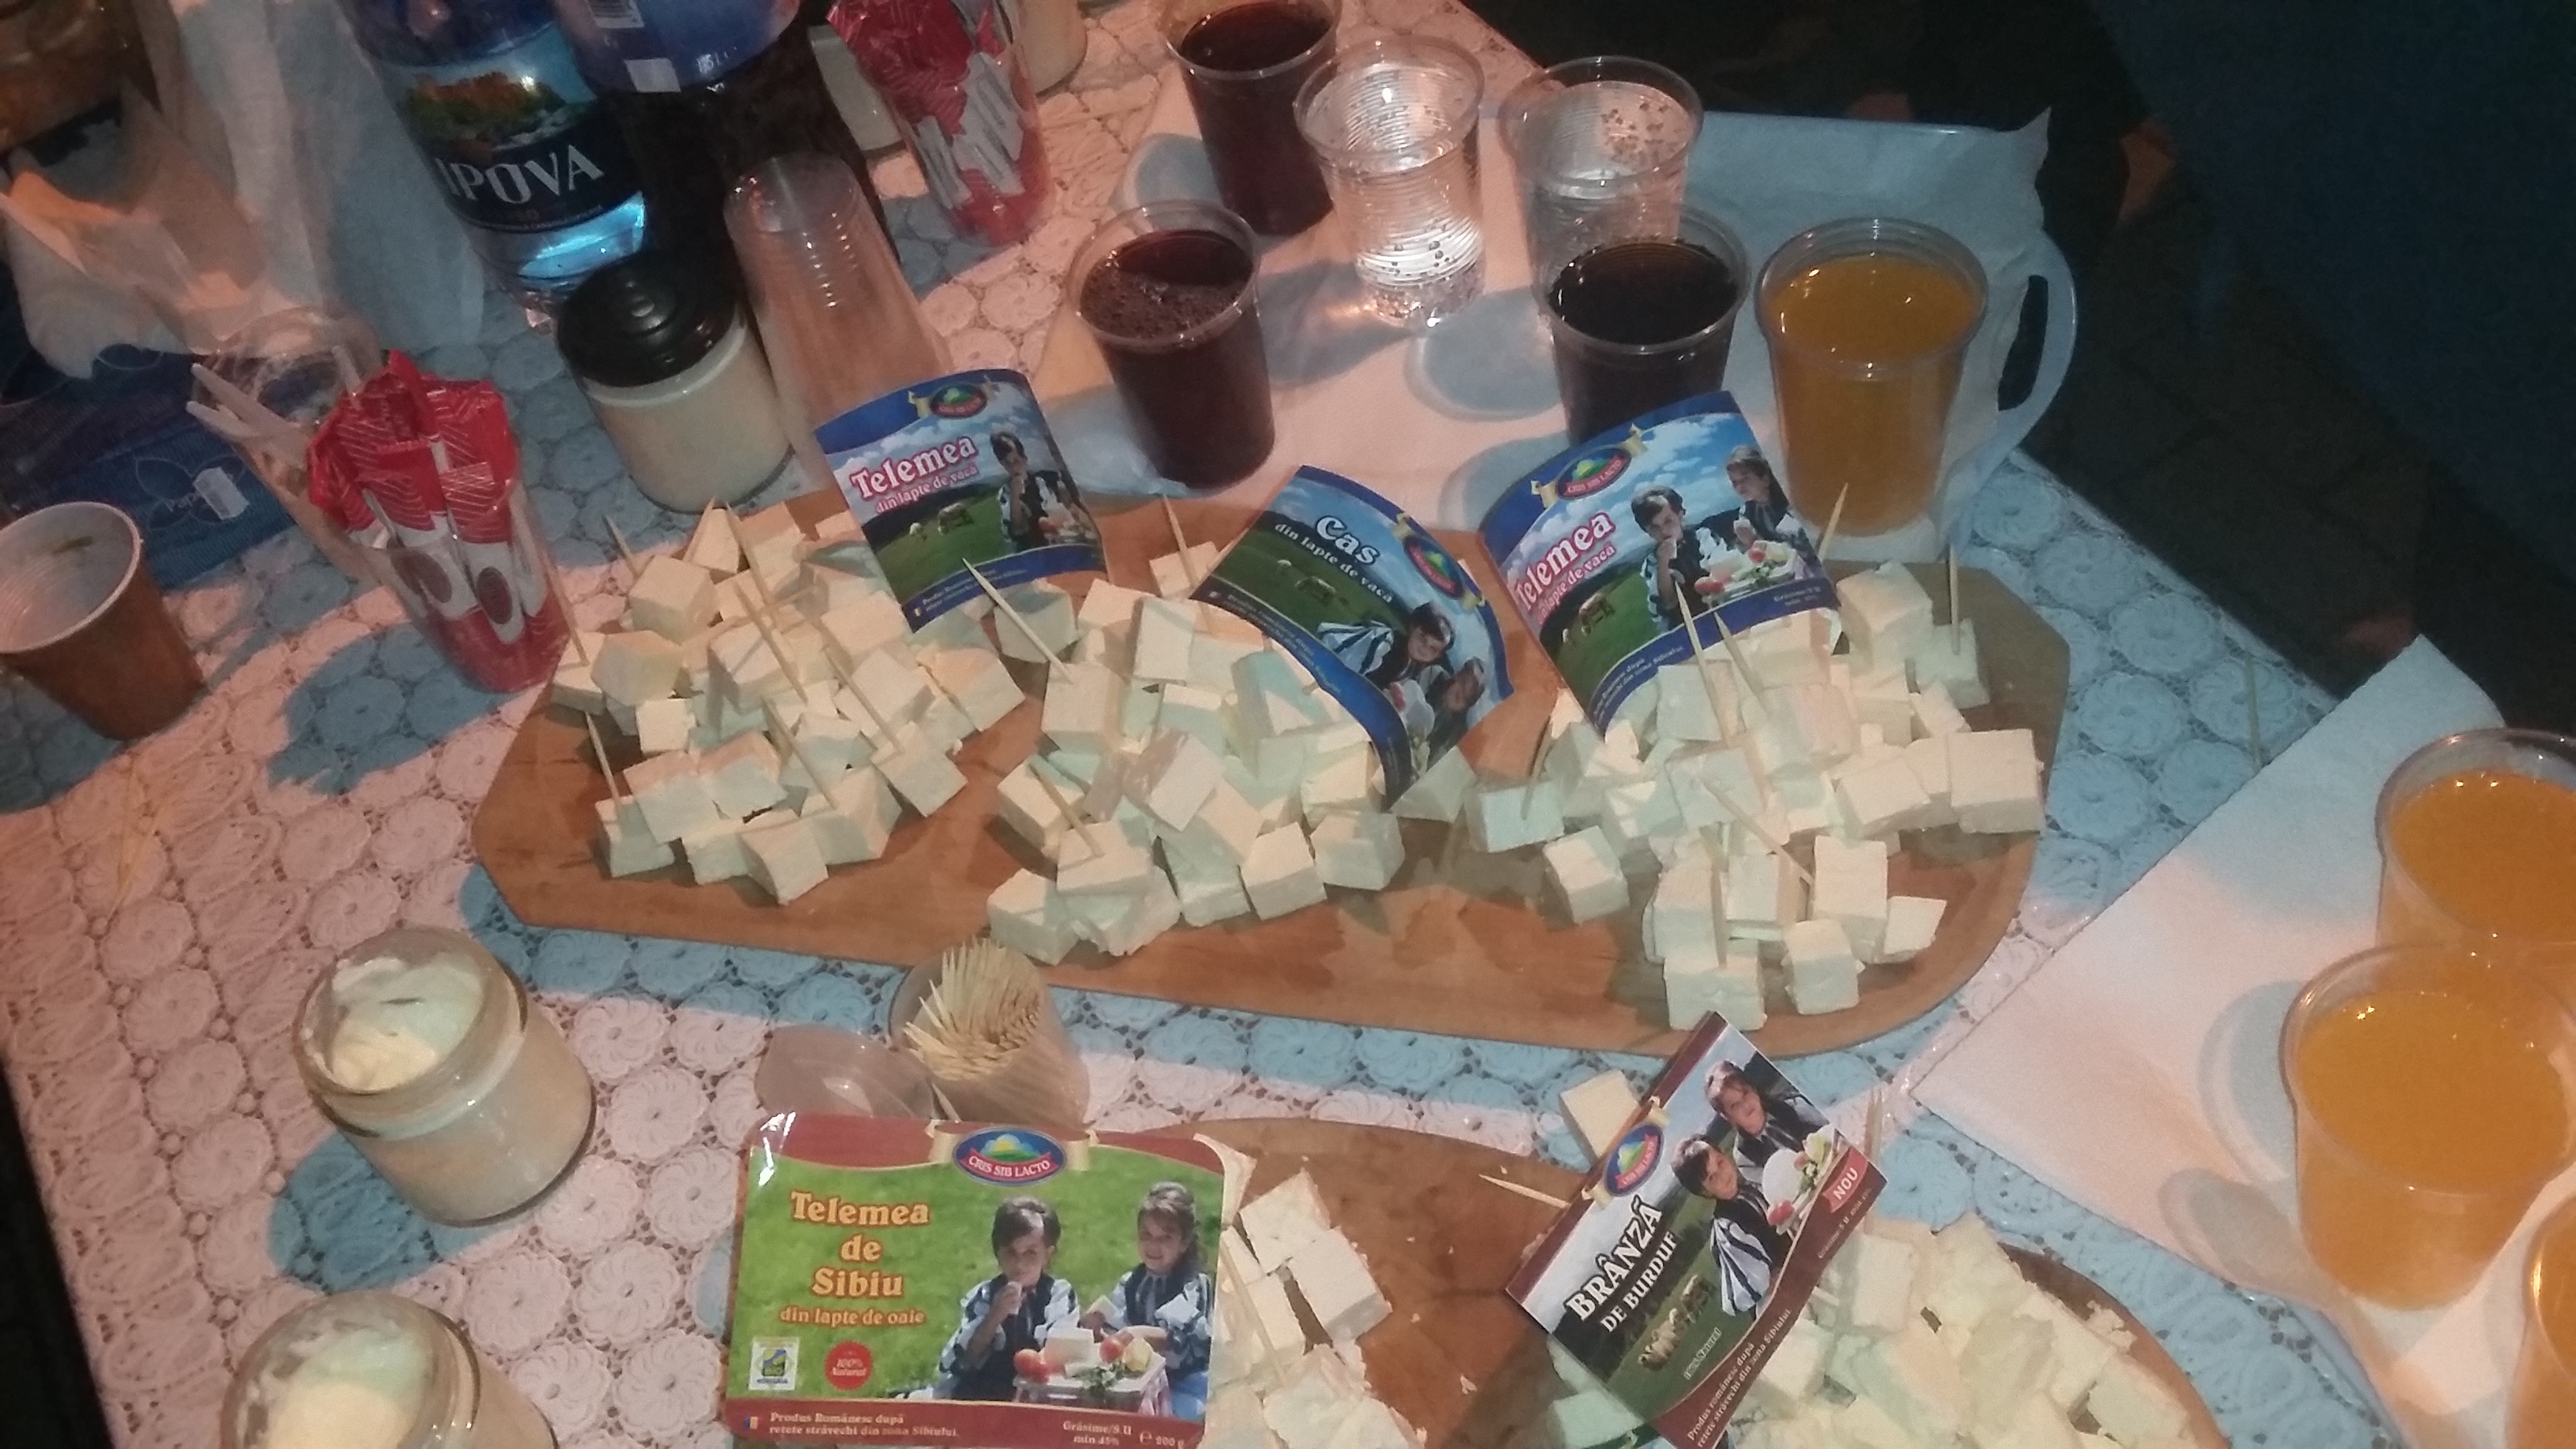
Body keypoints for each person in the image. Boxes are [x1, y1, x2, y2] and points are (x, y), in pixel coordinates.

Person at [1080, 1183, 1215, 1418]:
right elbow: (1117, 1337)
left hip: (1185, 1384)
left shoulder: (1192, 1283)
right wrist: (1097, 1329)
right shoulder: (1131, 1282)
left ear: (1184, 1243)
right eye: (1147, 1236)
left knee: (1157, 1418)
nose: (1153, 1245)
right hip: (1140, 1382)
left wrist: (1141, 1333)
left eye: (1165, 1238)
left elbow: (1180, 1337)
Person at [938, 1196, 1080, 1400]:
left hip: (1039, 1390)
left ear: (1048, 1255)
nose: (1019, 1264)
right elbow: (964, 1359)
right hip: (986, 1392)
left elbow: (1059, 1346)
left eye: (1030, 1253)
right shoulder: (985, 1295)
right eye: (1011, 1253)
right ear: (998, 1253)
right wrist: (995, 1316)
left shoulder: (1058, 1294)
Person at [1671, 1133, 1787, 1317]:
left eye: (1720, 1163)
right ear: (1704, 1191)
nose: (1722, 1175)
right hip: (1778, 1300)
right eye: (1712, 1178)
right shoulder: (1727, 1229)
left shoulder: (1750, 1189)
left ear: (1725, 1156)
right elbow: (1755, 1281)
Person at [1707, 1064, 1829, 1169]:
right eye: (1735, 1105)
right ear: (1727, 1116)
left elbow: (1829, 1125)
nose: (1745, 1104)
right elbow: (1771, 1186)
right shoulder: (1743, 1157)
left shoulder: (1791, 1103)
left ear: (1753, 1088)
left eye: (1745, 1093)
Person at [1320, 603, 1454, 695]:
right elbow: (1349, 668)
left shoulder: (1414, 667)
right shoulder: (1384, 642)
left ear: (1438, 655)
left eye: (1433, 649)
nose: (1424, 649)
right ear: (1412, 628)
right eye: (1422, 638)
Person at [994, 430, 1097, 551]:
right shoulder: (1006, 494)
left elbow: (1065, 507)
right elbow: (1018, 529)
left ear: (1024, 458)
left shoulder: (1043, 481)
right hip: (1032, 550)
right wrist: (1015, 496)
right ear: (1003, 465)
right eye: (1008, 463)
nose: (1014, 468)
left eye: (1016, 461)